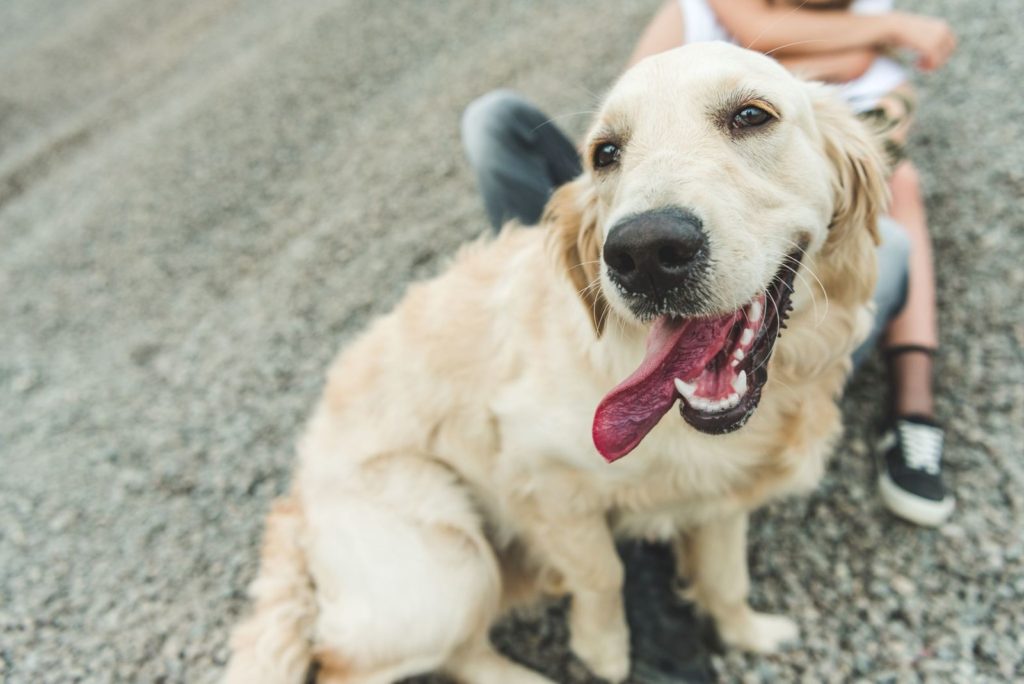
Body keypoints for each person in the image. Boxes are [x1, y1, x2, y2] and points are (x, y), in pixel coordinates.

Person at [460, 3, 955, 679]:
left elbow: (874, 132)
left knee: (893, 230)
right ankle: (634, 541)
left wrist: (855, 74)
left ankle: (906, 402)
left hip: (799, 220)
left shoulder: (867, 31)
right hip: (644, 198)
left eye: (749, 115)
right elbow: (641, 112)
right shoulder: (703, 11)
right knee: (496, 120)